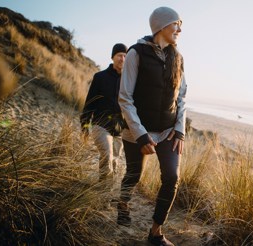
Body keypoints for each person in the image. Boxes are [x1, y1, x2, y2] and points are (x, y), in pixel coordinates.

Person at [117, 6, 187, 246]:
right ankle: (123, 204)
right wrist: (141, 135)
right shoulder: (136, 53)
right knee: (133, 175)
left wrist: (180, 130)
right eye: (175, 24)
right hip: (137, 131)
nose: (179, 29)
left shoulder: (178, 58)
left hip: (168, 131)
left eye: (180, 25)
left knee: (171, 177)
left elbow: (182, 98)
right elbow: (125, 98)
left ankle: (155, 232)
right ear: (160, 26)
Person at [80, 43, 127, 182]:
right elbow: (90, 103)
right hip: (100, 125)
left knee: (114, 162)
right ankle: (104, 198)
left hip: (119, 129)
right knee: (107, 155)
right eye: (119, 55)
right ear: (113, 57)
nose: (122, 59)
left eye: (125, 56)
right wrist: (85, 127)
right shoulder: (100, 77)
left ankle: (106, 193)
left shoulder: (128, 81)